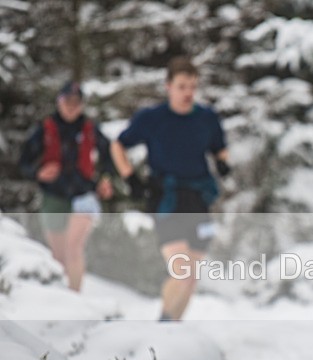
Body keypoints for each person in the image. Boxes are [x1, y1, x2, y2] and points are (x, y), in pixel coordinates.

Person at [110, 56, 230, 321]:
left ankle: (173, 328)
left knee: (192, 278)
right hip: (167, 198)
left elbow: (220, 148)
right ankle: (163, 323)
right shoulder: (152, 118)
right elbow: (118, 145)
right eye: (182, 86)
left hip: (198, 199)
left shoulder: (207, 118)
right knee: (182, 270)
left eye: (192, 87)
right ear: (168, 86)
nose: (188, 93)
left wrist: (222, 162)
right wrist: (130, 178)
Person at [18, 81, 115, 291]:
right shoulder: (46, 128)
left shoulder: (89, 128)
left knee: (74, 247)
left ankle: (75, 297)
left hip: (84, 194)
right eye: (67, 101)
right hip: (54, 194)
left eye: (76, 102)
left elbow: (109, 154)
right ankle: (60, 298)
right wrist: (38, 173)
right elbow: (24, 161)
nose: (71, 106)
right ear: (58, 102)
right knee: (58, 254)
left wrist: (106, 178)